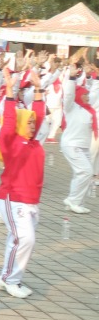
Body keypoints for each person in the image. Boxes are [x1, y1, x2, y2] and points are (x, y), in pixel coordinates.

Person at [0, 76, 46, 299]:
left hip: (31, 201)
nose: (33, 125)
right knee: (25, 239)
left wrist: (38, 88)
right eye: (29, 122)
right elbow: (8, 121)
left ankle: (6, 276)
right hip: (12, 198)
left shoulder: (35, 142)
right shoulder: (10, 141)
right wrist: (9, 90)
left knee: (16, 240)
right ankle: (10, 280)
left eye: (34, 123)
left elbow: (40, 114)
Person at [58, 65, 95, 213]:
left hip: (83, 146)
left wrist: (93, 76)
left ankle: (75, 201)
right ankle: (73, 200)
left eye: (88, 94)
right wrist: (72, 78)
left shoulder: (89, 110)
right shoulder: (71, 107)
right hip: (71, 145)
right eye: (85, 94)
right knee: (85, 172)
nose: (87, 96)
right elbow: (68, 95)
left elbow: (95, 91)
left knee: (83, 173)